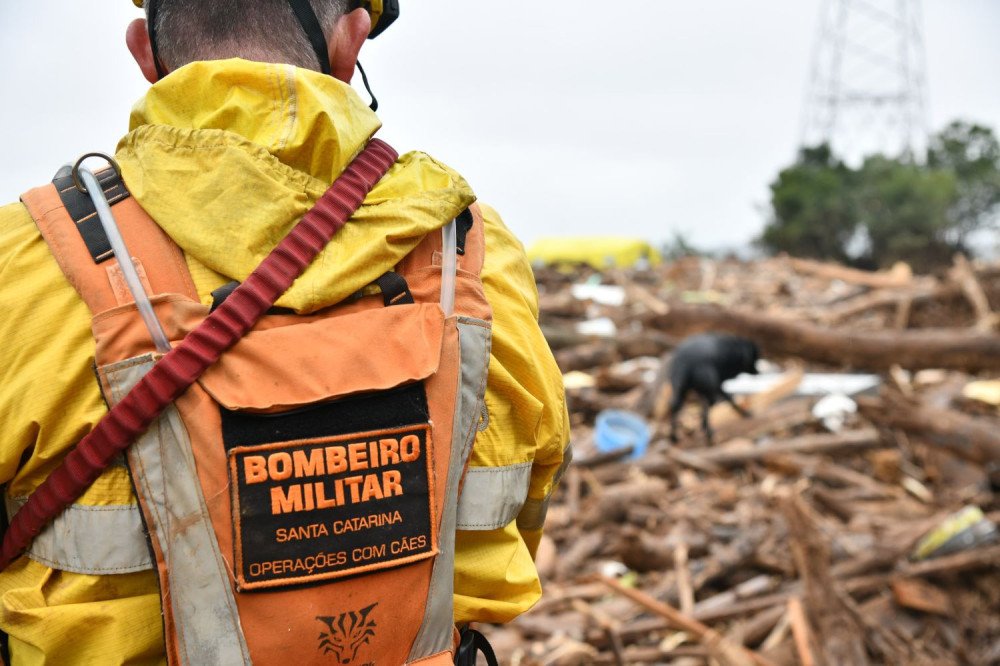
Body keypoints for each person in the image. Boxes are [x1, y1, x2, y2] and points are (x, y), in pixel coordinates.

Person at [0, 1, 570, 663]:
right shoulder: (471, 253)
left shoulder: (26, 269)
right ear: (350, 45)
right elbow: (521, 517)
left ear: (145, 56)